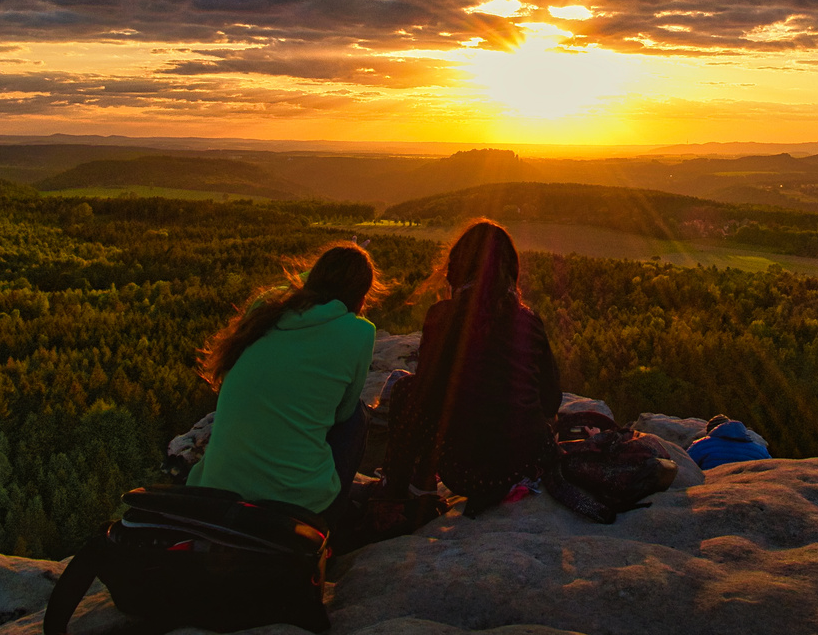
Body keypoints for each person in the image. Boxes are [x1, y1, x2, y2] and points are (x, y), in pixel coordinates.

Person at [188, 243, 381, 530]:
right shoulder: (361, 331)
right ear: (362, 296)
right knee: (357, 416)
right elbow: (342, 415)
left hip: (215, 490)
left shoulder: (265, 309)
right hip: (295, 507)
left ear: (311, 279)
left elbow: (282, 291)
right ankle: (330, 515)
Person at [382, 220, 562, 516]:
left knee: (405, 390)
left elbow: (427, 394)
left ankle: (405, 490)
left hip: (466, 472)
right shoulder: (529, 321)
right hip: (530, 463)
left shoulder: (442, 317)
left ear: (457, 267)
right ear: (509, 270)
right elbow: (551, 398)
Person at [687, 415, 771, 470]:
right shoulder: (760, 449)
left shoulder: (701, 445)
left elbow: (686, 467)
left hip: (713, 490)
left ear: (711, 432)